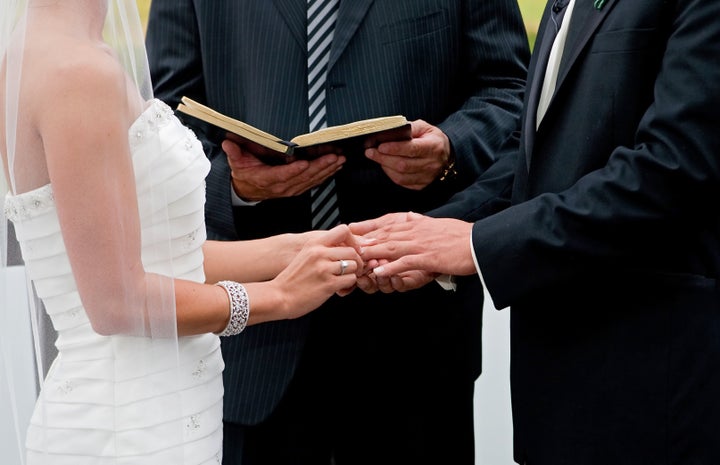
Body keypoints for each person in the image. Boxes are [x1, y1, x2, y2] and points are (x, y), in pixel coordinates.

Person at [145, 1, 530, 464]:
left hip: (413, 342)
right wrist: (231, 184)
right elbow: (164, 119)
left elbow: (509, 91)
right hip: (251, 349)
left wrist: (450, 149)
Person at [351, 0, 720, 464]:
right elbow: (537, 157)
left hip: (653, 386)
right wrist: (432, 233)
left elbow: (673, 170)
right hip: (555, 385)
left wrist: (474, 245)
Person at [0, 1, 364, 463]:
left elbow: (165, 255)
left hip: (163, 415)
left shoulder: (51, 51)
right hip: (127, 430)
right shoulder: (77, 72)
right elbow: (117, 302)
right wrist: (280, 298)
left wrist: (301, 248)